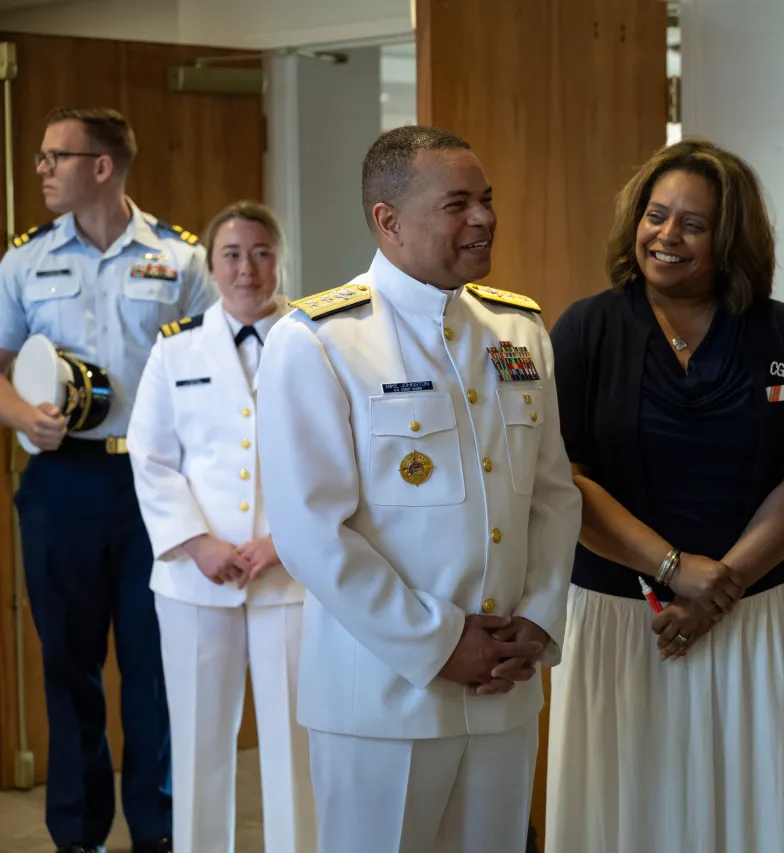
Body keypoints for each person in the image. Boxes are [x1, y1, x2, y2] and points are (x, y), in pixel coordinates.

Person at [254, 125, 582, 853]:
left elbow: (554, 494)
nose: (485, 219)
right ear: (388, 220)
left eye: (487, 200)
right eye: (458, 203)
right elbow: (312, 532)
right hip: (381, 697)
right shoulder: (319, 341)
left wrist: (539, 619)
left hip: (505, 688)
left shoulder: (518, 329)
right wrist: (440, 641)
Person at [544, 138, 784, 853]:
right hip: (625, 620)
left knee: (758, 814)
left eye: (693, 224)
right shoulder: (585, 330)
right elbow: (565, 481)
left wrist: (723, 582)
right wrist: (681, 571)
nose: (666, 236)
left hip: (757, 613)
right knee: (630, 813)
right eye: (656, 215)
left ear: (729, 237)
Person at [0, 107, 214, 853]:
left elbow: (218, 365)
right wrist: (23, 414)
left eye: (54, 156)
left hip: (156, 486)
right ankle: (78, 835)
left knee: (156, 668)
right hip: (61, 482)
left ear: (101, 165)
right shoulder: (22, 261)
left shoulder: (183, 259)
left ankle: (160, 832)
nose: (41, 170)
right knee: (69, 665)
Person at [126, 201, 316, 853]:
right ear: (210, 265)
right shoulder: (175, 347)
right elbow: (148, 453)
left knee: (297, 741)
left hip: (290, 573)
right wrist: (198, 542)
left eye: (261, 251)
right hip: (194, 577)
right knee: (200, 740)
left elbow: (334, 454)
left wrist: (287, 541)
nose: (247, 268)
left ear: (279, 258)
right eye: (232, 254)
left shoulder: (314, 339)